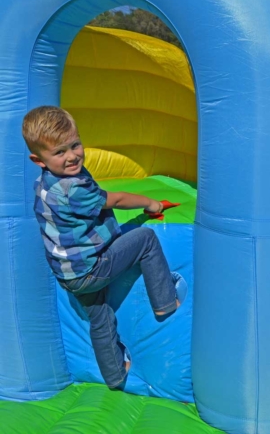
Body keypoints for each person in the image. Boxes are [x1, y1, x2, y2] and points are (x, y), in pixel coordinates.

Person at [22, 105, 181, 389]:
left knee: (100, 316)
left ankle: (115, 375)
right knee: (145, 239)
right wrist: (150, 203)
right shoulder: (72, 189)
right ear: (38, 159)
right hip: (92, 266)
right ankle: (165, 301)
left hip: (69, 274)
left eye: (75, 145)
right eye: (59, 152)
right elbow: (116, 200)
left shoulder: (43, 183)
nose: (72, 156)